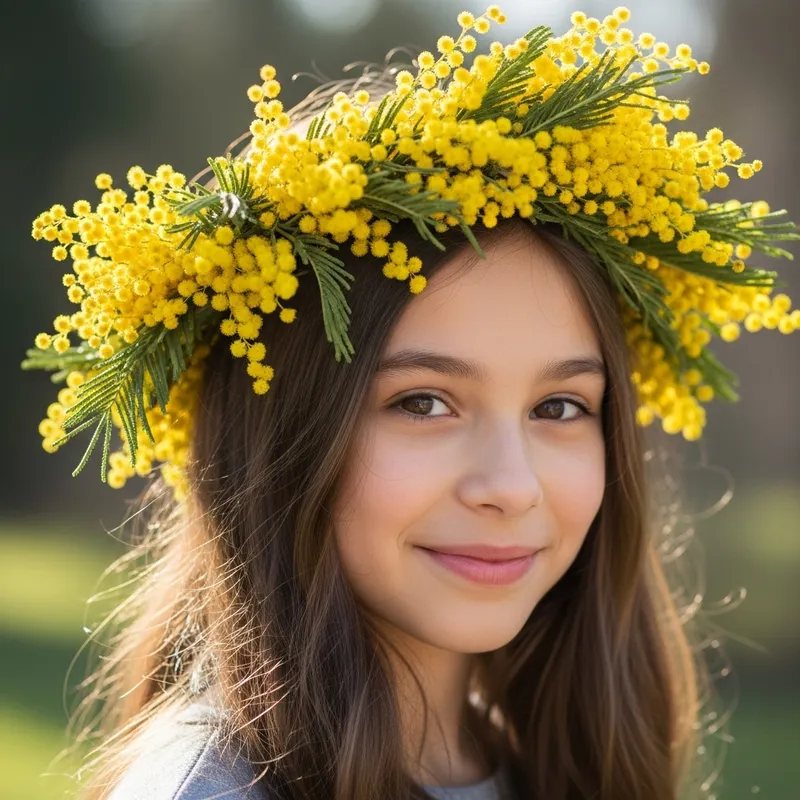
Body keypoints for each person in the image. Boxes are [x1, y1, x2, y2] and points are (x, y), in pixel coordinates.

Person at [23, 6, 798, 800]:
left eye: (560, 407)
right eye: (424, 403)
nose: (511, 485)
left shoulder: (545, 765)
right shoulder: (213, 789)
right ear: (282, 435)